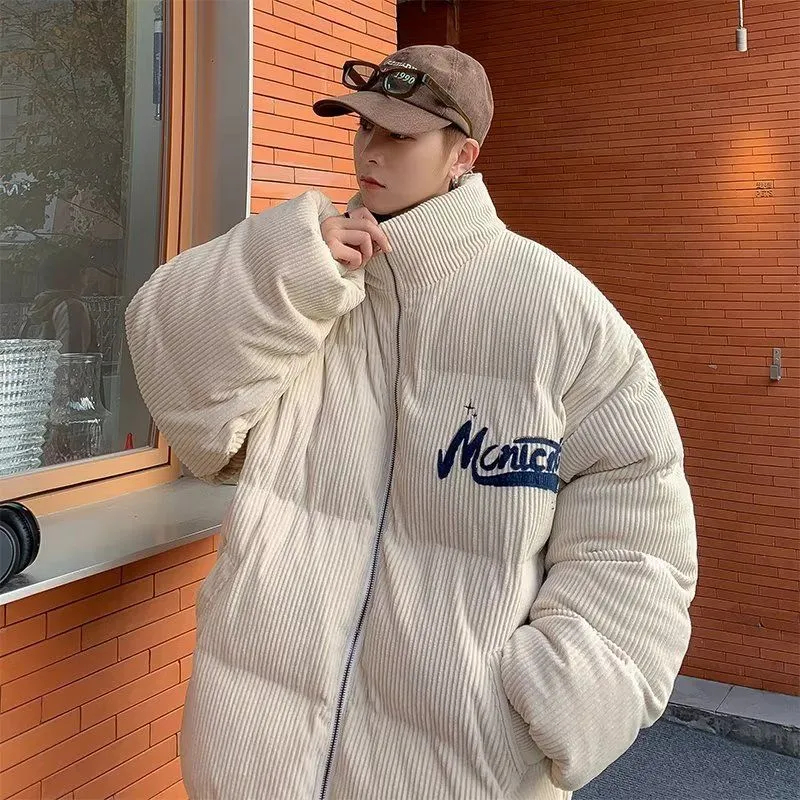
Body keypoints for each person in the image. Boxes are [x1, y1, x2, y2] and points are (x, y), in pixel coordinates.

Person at [126, 45, 697, 800]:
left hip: (459, 765)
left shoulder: (556, 310)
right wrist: (283, 267)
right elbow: (178, 383)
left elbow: (638, 519)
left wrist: (561, 695)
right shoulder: (313, 273)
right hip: (254, 746)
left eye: (400, 134)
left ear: (463, 156)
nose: (370, 149)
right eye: (365, 126)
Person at [20, 247, 98, 354]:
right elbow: (71, 358)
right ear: (79, 274)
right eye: (85, 273)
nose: (87, 282)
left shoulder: (38, 306)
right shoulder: (72, 307)